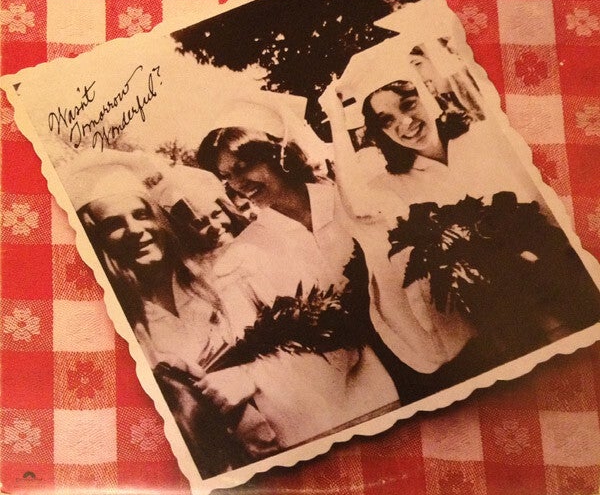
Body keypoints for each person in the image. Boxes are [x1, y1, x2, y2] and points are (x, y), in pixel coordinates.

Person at [319, 39, 600, 380]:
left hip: (564, 283)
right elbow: (356, 209)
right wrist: (337, 120)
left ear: (426, 94)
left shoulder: (484, 139)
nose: (405, 123)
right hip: (501, 320)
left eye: (409, 104)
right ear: (379, 132)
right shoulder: (391, 185)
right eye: (387, 121)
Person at [195, 100, 401, 446]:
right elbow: (252, 347)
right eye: (227, 176)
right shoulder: (242, 258)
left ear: (279, 155)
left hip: (421, 355)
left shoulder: (351, 199)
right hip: (358, 392)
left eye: (245, 166)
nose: (238, 184)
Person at [65, 152, 279, 478]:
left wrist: (250, 377)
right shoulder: (116, 323)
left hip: (298, 424)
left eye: (141, 214)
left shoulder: (222, 271)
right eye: (113, 225)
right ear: (95, 239)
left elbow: (307, 338)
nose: (135, 230)